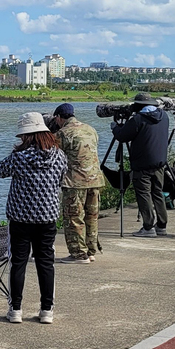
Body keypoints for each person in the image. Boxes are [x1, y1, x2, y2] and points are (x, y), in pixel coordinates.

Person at [0, 112, 67, 325]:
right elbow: (61, 180)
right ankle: (47, 310)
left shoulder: (19, 158)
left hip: (20, 218)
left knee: (18, 263)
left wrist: (15, 152)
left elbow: (0, 170)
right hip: (47, 217)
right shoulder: (59, 156)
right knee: (46, 264)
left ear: (26, 135)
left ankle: (15, 309)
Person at [110, 92, 170, 237]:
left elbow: (122, 136)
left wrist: (115, 127)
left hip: (142, 165)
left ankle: (148, 227)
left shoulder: (138, 119)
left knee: (144, 194)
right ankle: (161, 225)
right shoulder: (164, 116)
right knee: (157, 193)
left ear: (139, 105)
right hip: (160, 163)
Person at [52, 103, 104, 263]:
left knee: (74, 218)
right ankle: (91, 251)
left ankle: (78, 254)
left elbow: (52, 154)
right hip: (95, 179)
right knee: (92, 217)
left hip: (75, 182)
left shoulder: (62, 133)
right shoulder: (90, 129)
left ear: (59, 117)